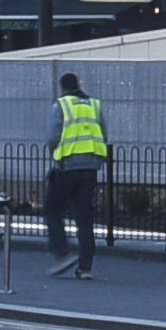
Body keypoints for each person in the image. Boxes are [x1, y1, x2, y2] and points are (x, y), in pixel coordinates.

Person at [43, 72, 112, 275]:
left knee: (51, 209)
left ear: (62, 88)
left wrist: (56, 155)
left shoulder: (61, 105)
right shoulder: (94, 105)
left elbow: (52, 137)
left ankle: (63, 253)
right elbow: (103, 134)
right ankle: (85, 267)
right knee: (84, 216)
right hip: (90, 167)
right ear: (79, 84)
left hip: (67, 166)